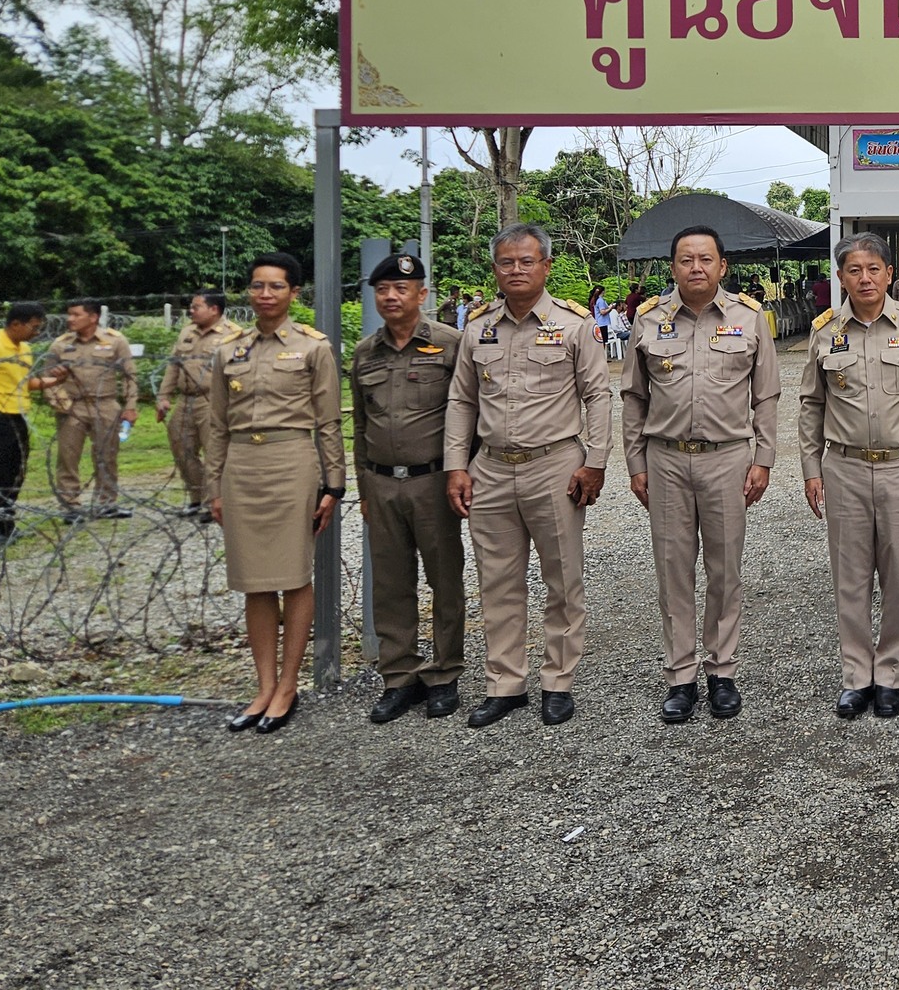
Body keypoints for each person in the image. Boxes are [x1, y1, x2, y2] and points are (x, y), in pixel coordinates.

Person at [444, 224, 611, 728]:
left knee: (563, 579)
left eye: (526, 261)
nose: (516, 270)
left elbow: (597, 395)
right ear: (495, 269)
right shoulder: (478, 327)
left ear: (546, 266)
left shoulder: (574, 325)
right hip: (491, 469)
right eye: (506, 262)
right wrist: (456, 465)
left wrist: (595, 462)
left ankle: (558, 681)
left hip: (554, 467)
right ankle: (505, 683)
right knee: (497, 582)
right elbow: (462, 400)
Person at [620, 226, 780, 724]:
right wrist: (636, 463)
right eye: (686, 259)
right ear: (673, 267)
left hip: (727, 459)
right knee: (673, 571)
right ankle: (680, 676)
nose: (696, 267)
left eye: (705, 259)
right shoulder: (648, 319)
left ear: (722, 266)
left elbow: (766, 396)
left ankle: (722, 670)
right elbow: (634, 398)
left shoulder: (749, 318)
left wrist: (764, 459)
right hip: (665, 459)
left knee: (725, 569)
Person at [799, 232, 899, 719]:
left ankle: (889, 675)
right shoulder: (825, 331)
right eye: (854, 270)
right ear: (841, 277)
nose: (864, 278)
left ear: (889, 274)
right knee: (849, 577)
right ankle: (856, 677)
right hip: (843, 467)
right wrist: (810, 469)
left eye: (873, 269)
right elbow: (811, 405)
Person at [206, 253, 345, 733]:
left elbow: (329, 421)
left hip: (292, 465)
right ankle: (263, 686)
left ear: (294, 293)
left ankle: (288, 686)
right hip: (242, 468)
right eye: (258, 286)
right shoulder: (229, 350)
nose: (265, 295)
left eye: (276, 287)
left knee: (294, 574)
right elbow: (216, 424)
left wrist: (334, 484)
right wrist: (213, 486)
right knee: (255, 580)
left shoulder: (312, 347)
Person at [350, 253, 467, 724]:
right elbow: (360, 426)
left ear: (422, 294)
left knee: (445, 579)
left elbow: (468, 413)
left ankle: (444, 673)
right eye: (382, 290)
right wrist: (363, 486)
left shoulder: (449, 344)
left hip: (433, 482)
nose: (391, 297)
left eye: (401, 289)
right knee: (391, 584)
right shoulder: (365, 353)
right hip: (381, 483)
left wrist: (464, 472)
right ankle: (399, 676)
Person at [0, 302, 66, 547]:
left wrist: (55, 380)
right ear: (16, 324)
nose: (36, 333)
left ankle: (5, 525)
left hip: (16, 417)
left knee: (15, 474)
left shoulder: (23, 348)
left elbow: (26, 383)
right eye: (34, 327)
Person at [46, 299, 139, 521]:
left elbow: (129, 376)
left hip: (105, 404)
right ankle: (70, 506)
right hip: (72, 406)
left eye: (76, 314)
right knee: (68, 457)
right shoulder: (60, 344)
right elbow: (47, 377)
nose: (70, 319)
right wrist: (58, 401)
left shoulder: (115, 341)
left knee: (107, 455)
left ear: (93, 317)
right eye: (69, 314)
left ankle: (106, 503)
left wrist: (130, 406)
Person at [155, 291, 244, 520]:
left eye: (196, 307)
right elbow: (173, 366)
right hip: (185, 400)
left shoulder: (233, 335)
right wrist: (163, 396)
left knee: (214, 452)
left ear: (214, 309)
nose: (191, 311)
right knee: (181, 449)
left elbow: (241, 372)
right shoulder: (187, 332)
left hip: (213, 400)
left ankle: (214, 502)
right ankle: (197, 498)